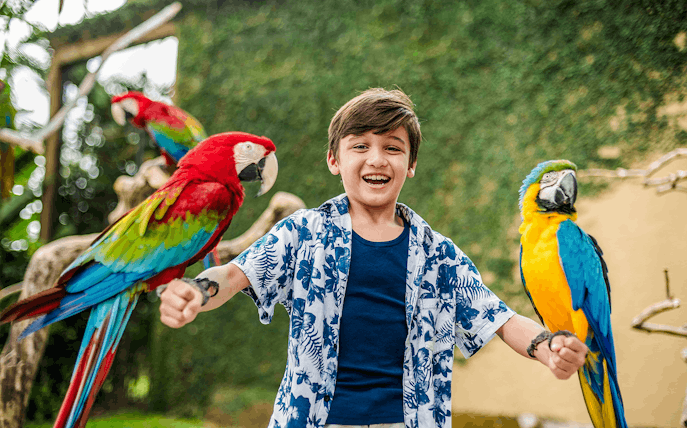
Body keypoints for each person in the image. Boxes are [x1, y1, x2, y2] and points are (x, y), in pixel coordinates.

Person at [157, 88, 588, 428]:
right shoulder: (302, 233)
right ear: (334, 159)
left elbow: (501, 318)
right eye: (359, 146)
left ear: (411, 163)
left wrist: (548, 347)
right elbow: (233, 276)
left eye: (393, 147)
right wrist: (195, 291)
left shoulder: (439, 256)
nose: (376, 159)